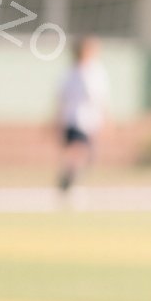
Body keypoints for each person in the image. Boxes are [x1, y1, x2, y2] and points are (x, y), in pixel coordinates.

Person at [56, 34, 109, 195]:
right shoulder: (74, 73)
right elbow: (62, 98)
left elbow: (101, 99)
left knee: (87, 155)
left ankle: (71, 179)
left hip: (89, 121)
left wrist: (104, 118)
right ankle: (68, 181)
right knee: (78, 150)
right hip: (76, 120)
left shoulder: (95, 71)